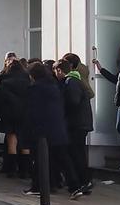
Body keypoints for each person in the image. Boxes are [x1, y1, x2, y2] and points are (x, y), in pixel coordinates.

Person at [22, 61, 78, 197]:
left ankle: (38, 186)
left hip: (41, 130)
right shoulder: (54, 86)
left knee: (39, 159)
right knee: (62, 158)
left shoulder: (35, 89)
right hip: (58, 128)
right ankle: (74, 185)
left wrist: (27, 131)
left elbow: (32, 112)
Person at [57, 53, 94, 195]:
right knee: (77, 152)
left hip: (77, 123)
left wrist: (63, 109)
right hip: (80, 122)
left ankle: (83, 181)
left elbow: (73, 101)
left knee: (76, 153)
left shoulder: (72, 80)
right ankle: (83, 181)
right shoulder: (75, 78)